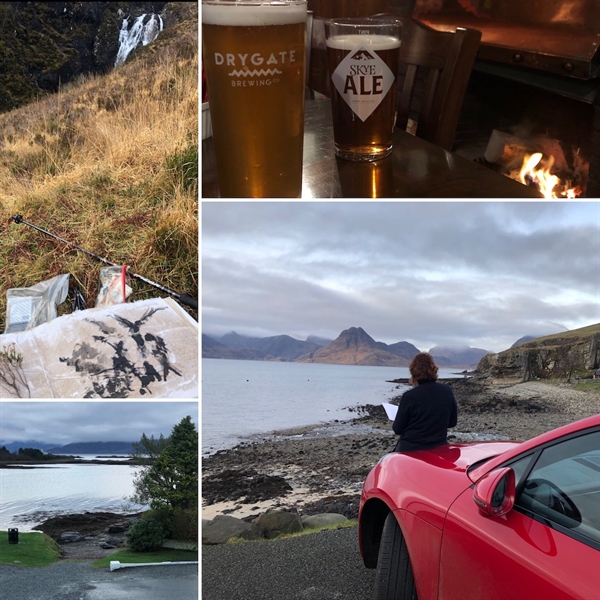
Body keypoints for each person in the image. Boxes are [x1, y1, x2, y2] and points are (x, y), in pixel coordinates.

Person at [393, 352, 457, 452]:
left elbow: (397, 429)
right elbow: (452, 422)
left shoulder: (409, 396)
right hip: (439, 447)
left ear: (413, 372)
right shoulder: (446, 391)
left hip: (411, 449)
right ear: (434, 369)